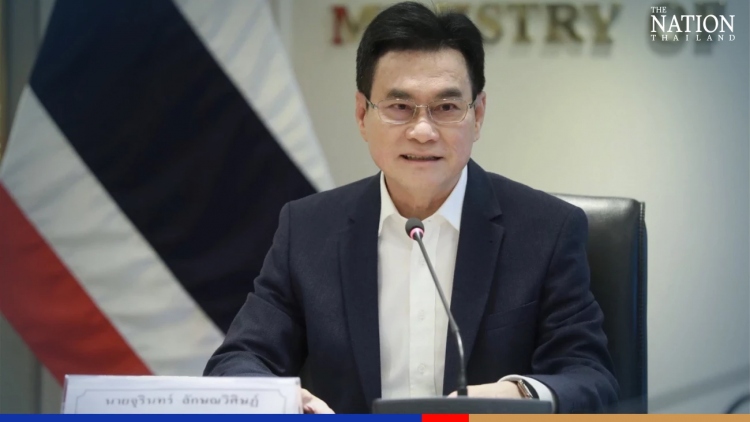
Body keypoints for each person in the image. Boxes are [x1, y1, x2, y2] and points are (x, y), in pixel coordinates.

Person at [204, 1, 618, 414]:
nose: (422, 131)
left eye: (446, 108)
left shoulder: (548, 230)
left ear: (477, 115)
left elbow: (590, 377)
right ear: (362, 115)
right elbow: (238, 361)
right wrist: (278, 398)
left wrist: (519, 395)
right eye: (400, 107)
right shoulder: (307, 231)